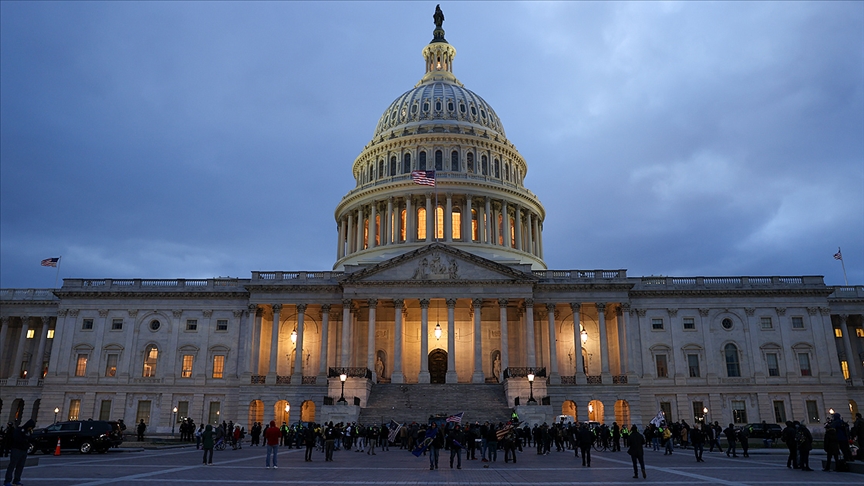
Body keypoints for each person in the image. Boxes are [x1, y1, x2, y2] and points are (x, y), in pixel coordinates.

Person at [3, 419, 34, 486]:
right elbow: (17, 439)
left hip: (24, 450)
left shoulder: (29, 432)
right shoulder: (20, 430)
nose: (31, 428)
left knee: (20, 466)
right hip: (17, 449)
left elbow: (30, 439)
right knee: (12, 465)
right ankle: (7, 481)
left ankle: (16, 480)